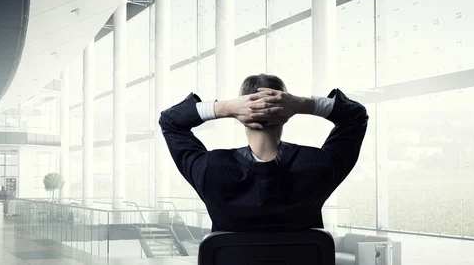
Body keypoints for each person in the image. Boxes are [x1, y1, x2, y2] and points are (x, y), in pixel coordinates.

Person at [158, 74, 369, 232]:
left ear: (241, 110)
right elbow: (356, 117)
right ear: (287, 114)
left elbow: (170, 121)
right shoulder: (319, 167)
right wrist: (301, 104)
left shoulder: (210, 169)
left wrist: (226, 107)